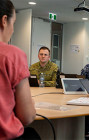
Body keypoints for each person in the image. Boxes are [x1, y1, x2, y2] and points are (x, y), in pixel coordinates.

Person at [0, 0, 39, 139]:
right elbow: (27, 116)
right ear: (4, 20)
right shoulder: (12, 55)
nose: (13, 29)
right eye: (14, 23)